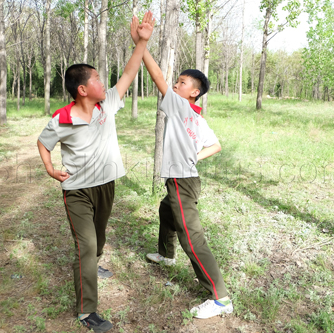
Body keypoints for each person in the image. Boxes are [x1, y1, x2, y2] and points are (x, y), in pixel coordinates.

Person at [36, 12, 154, 332]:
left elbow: (130, 71)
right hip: (77, 191)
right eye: (98, 80)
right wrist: (50, 169)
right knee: (86, 245)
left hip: (106, 185)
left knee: (98, 240)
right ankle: (87, 312)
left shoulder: (108, 105)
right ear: (83, 90)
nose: (105, 83)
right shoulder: (63, 118)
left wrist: (141, 41)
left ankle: (93, 265)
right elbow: (43, 143)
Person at [130, 17, 233, 319]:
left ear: (194, 92)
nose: (175, 85)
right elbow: (216, 145)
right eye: (177, 82)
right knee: (166, 211)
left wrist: (142, 44)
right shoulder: (195, 117)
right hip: (185, 178)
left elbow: (157, 76)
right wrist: (195, 156)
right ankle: (165, 254)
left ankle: (220, 298)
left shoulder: (181, 106)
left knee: (193, 237)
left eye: (182, 83)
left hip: (182, 181)